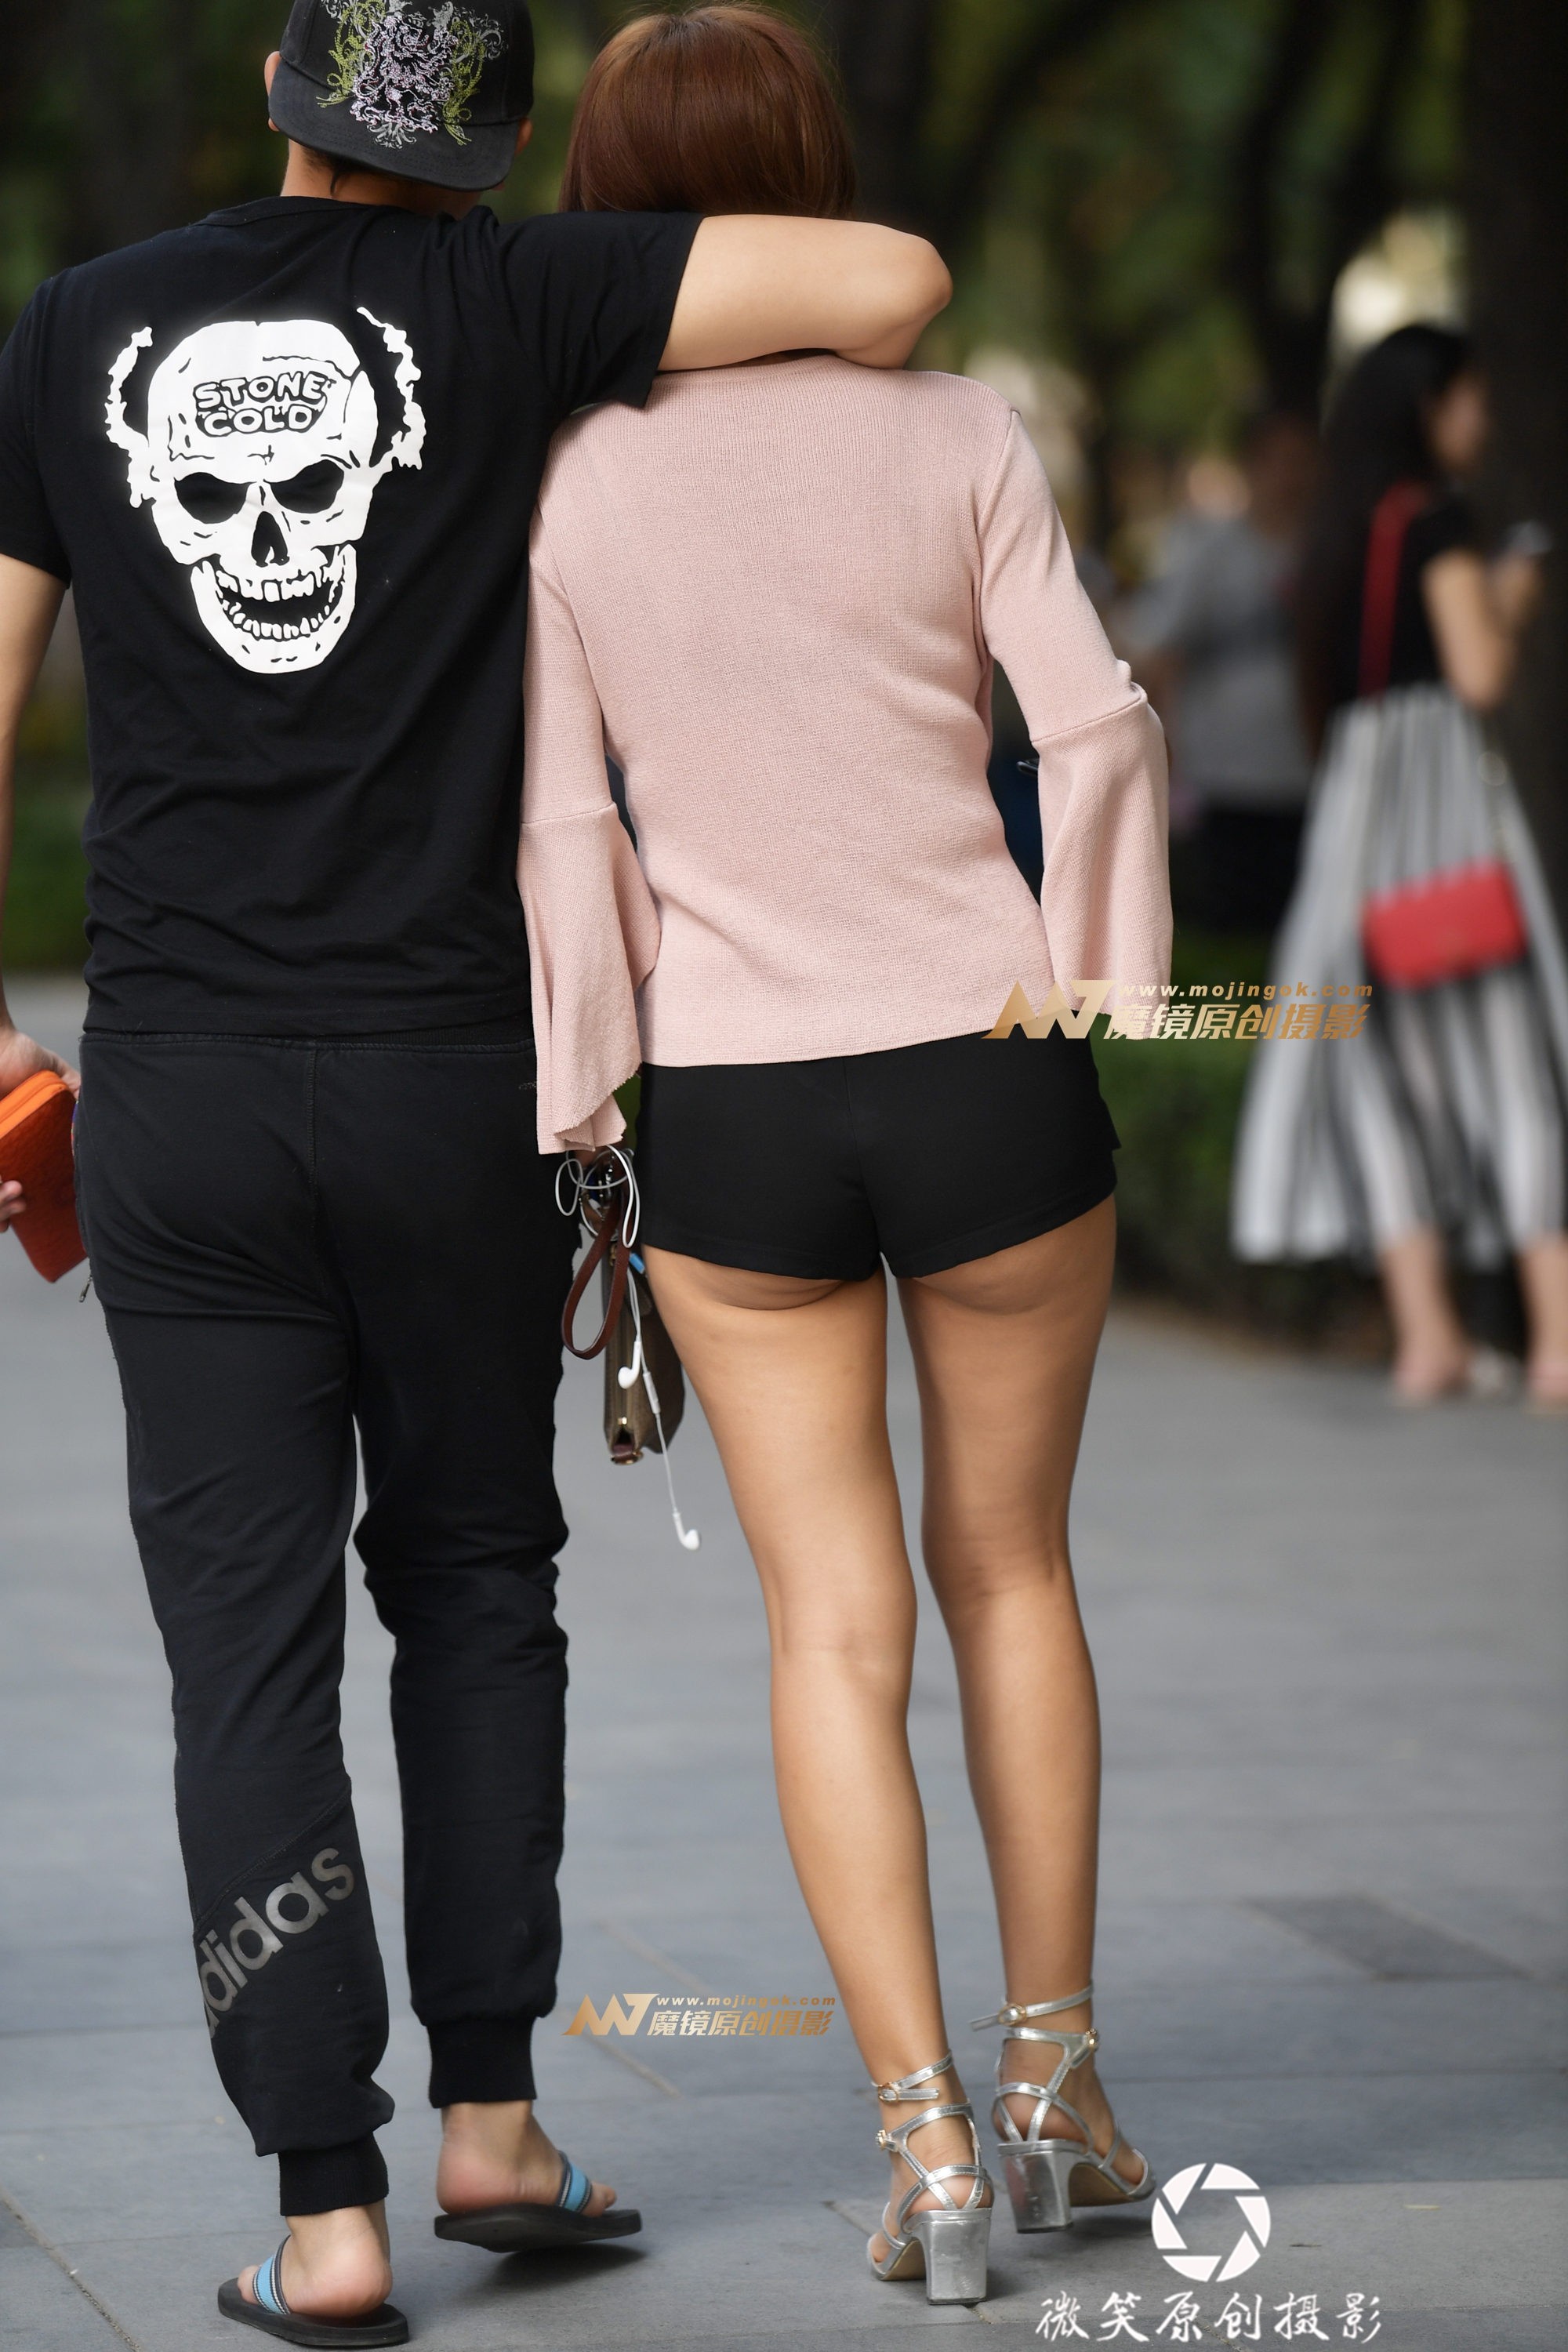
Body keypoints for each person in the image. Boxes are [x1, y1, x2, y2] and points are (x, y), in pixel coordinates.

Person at [0, 2, 952, 2339]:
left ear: (276, 89)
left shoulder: (75, 327)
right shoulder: (517, 296)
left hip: (183, 1089)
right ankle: (496, 2119)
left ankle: (325, 2210)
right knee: (475, 1579)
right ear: (499, 147)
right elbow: (894, 281)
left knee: (244, 1641)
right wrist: (600, 275)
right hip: (456, 1080)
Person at [520, 6, 1170, 2306]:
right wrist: (1096, 991)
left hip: (736, 1104)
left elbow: (557, 828)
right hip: (991, 1064)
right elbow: (1092, 726)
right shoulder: (958, 428)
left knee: (830, 1622)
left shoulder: (568, 481)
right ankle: (1056, 2088)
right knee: (1014, 1575)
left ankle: (924, 2149)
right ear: (813, 174)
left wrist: (584, 1092)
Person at [1231, 325, 1568, 1409]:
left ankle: (1428, 1342)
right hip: (1445, 840)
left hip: (1355, 852)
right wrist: (1512, 595)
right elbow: (1477, 672)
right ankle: (1558, 1343)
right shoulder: (1434, 520)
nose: (1481, 418)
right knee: (1513, 1077)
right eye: (1469, 398)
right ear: (1428, 406)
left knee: (1384, 1088)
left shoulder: (1339, 537)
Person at [1128, 409, 1319, 935]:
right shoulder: (1210, 552)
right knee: (1233, 931)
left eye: (1303, 462)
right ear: (1252, 465)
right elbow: (1160, 656)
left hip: (1312, 774)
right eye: (1279, 461)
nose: (1292, 476)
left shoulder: (1327, 549)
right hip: (1227, 780)